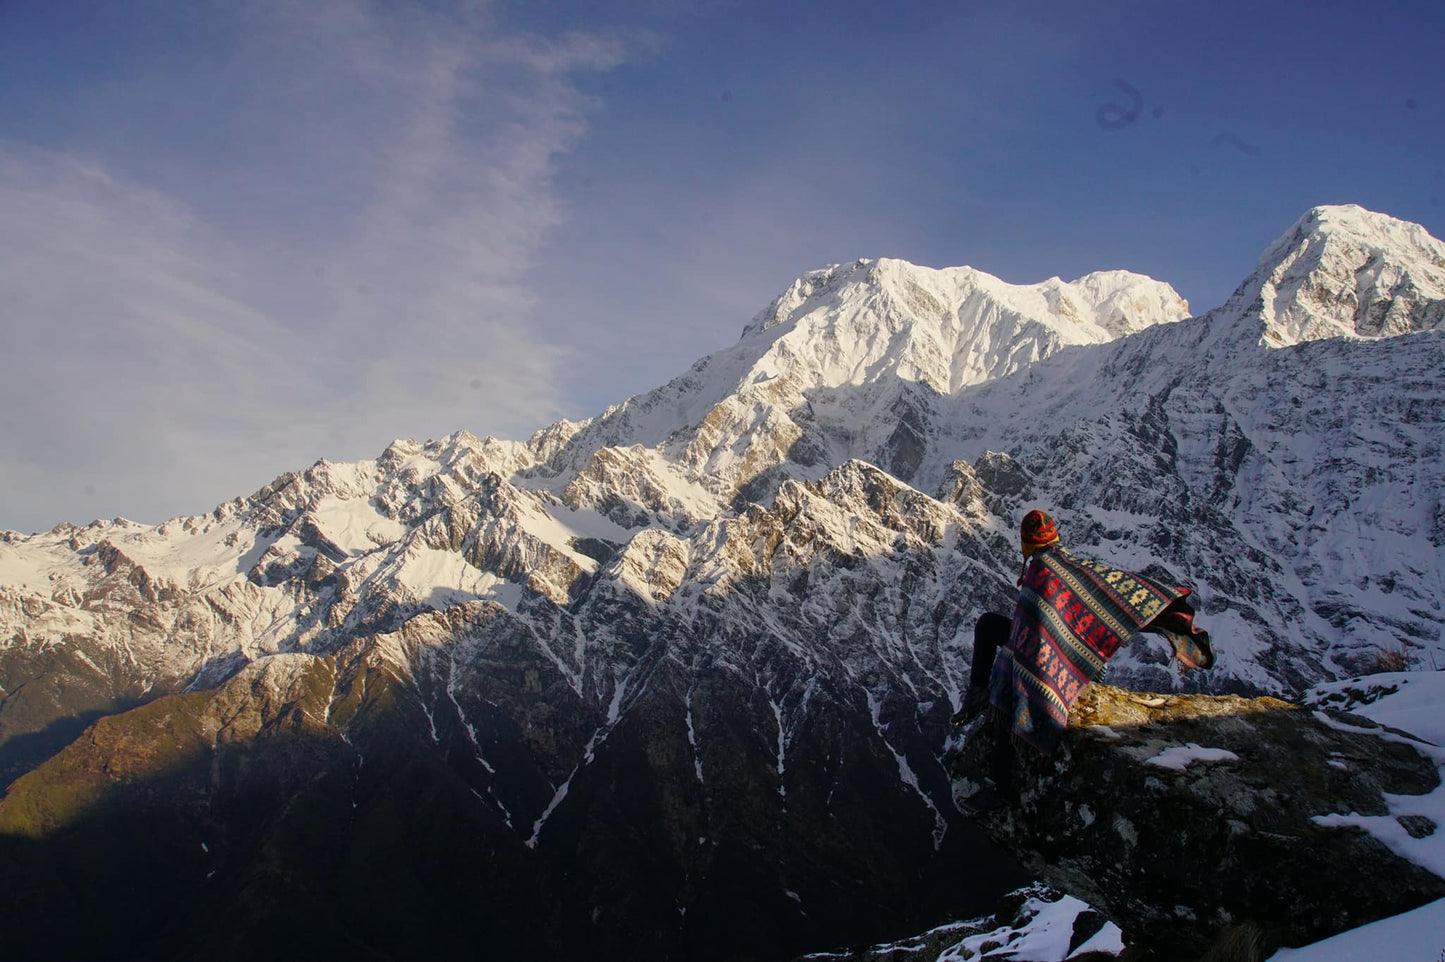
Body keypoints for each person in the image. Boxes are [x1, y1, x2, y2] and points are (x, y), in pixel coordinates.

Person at [955, 509, 1214, 809]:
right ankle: (978, 695)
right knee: (994, 631)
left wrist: (1016, 659)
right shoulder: (1071, 565)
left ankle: (999, 783)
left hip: (1058, 659)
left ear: (1026, 543)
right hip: (1077, 655)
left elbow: (1031, 632)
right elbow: (1118, 593)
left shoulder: (1041, 571)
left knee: (1008, 680)